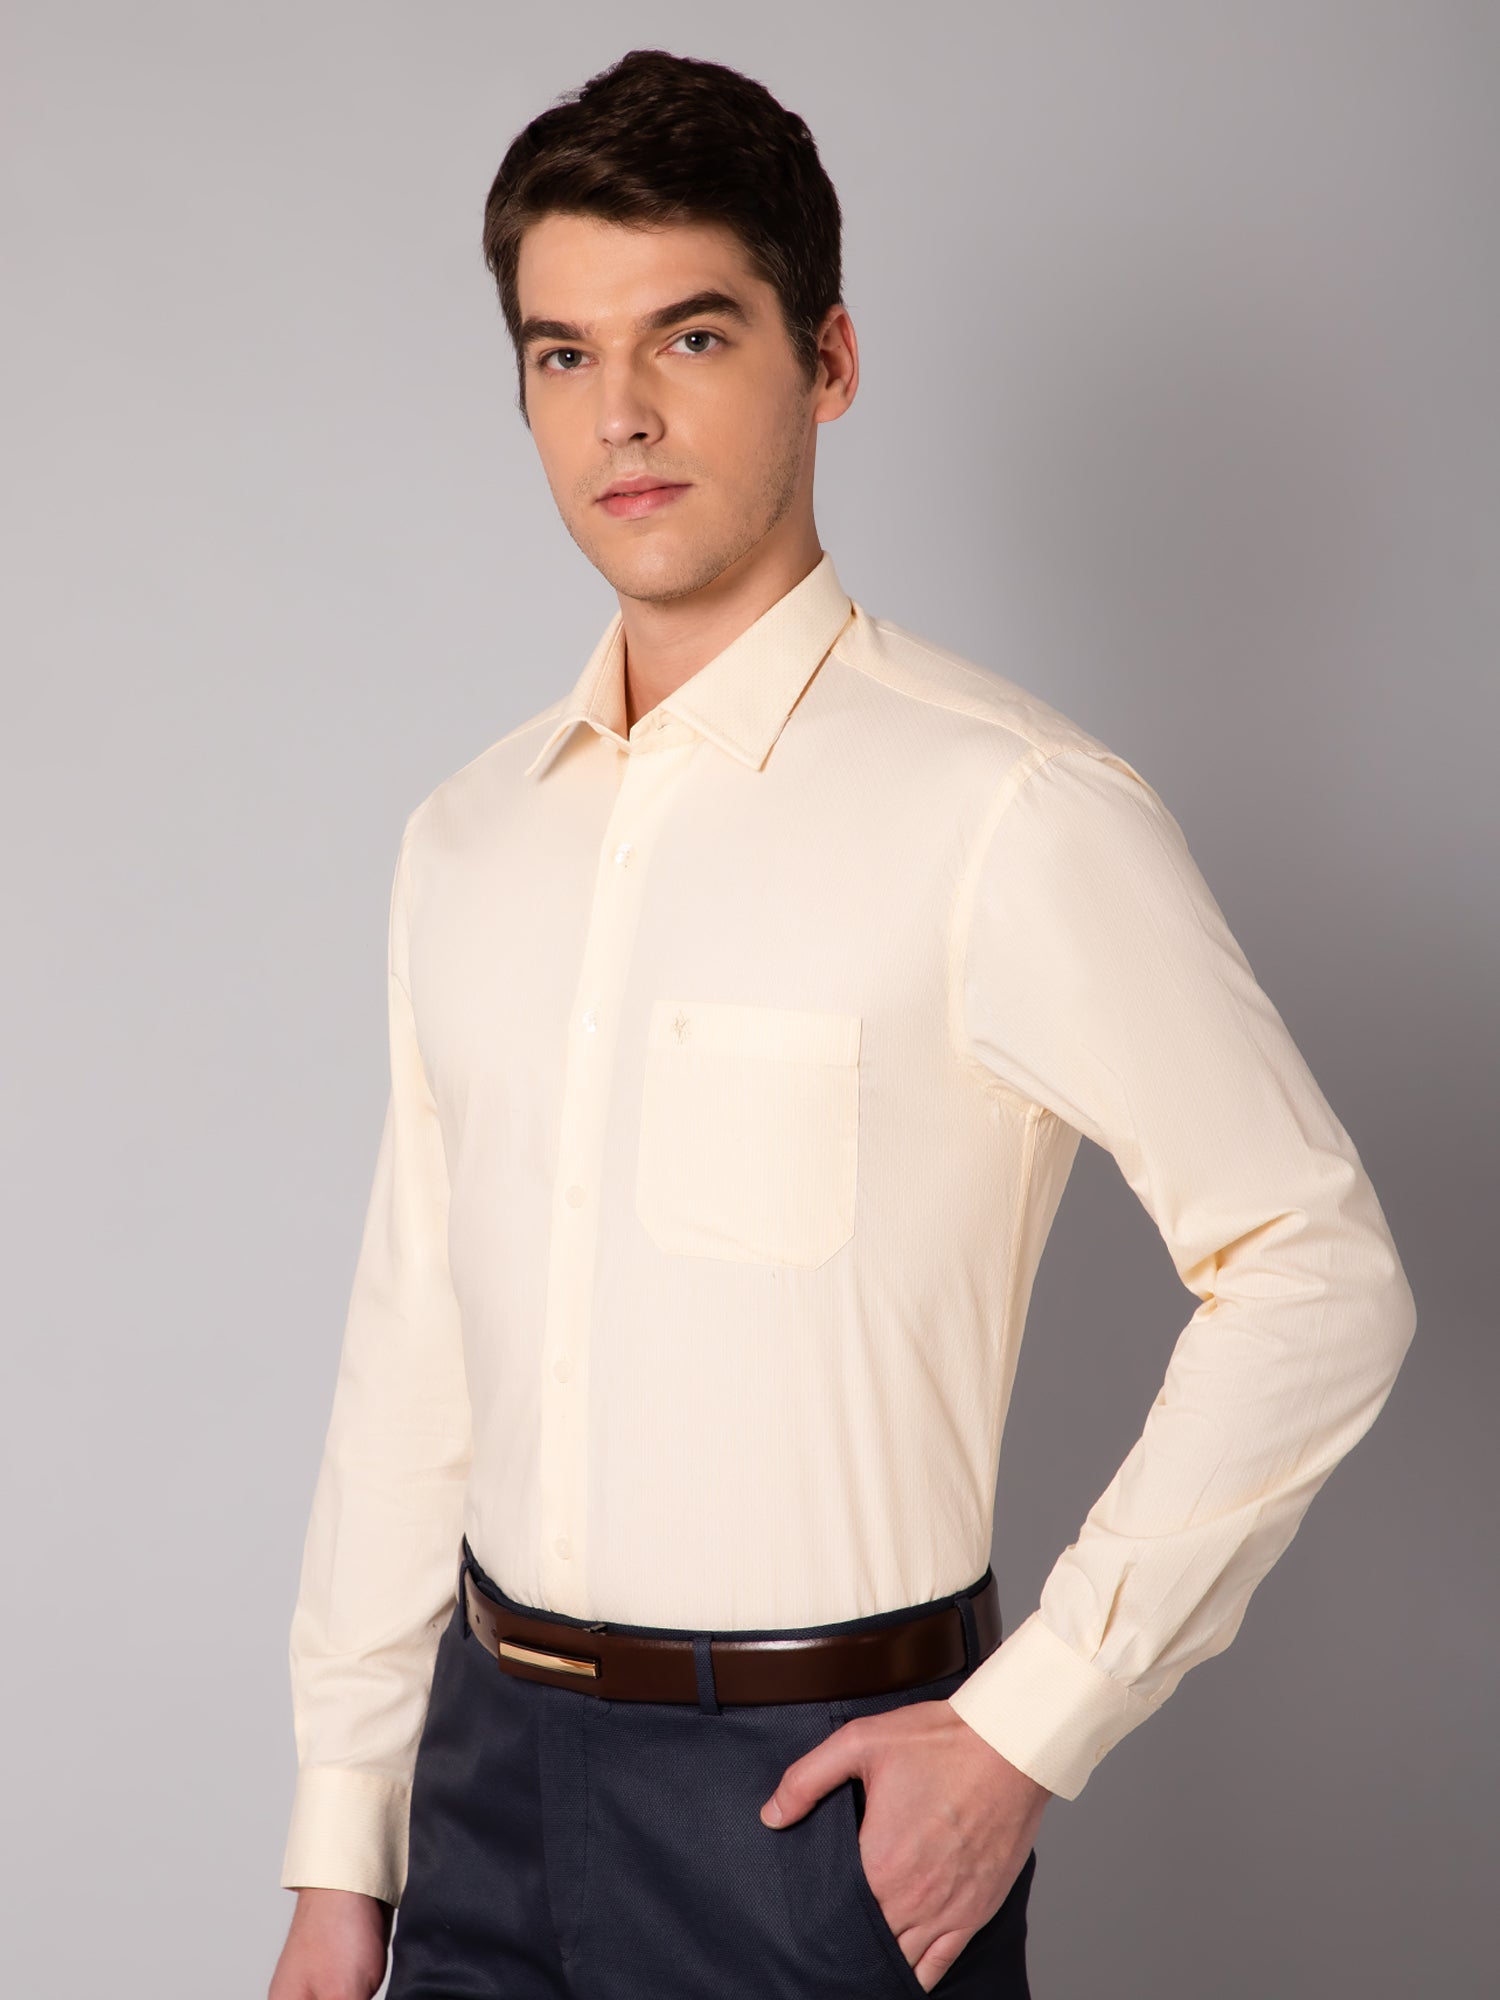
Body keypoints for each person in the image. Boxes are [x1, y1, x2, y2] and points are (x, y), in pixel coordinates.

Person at [267, 46, 1417, 2000]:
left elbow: (1319, 1273)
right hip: (478, 1794)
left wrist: (1031, 1724)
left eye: (692, 335)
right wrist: (340, 1837)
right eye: (562, 354)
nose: (622, 414)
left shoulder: (1009, 812)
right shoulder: (465, 840)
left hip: (811, 1823)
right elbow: (415, 1347)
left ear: (830, 358)